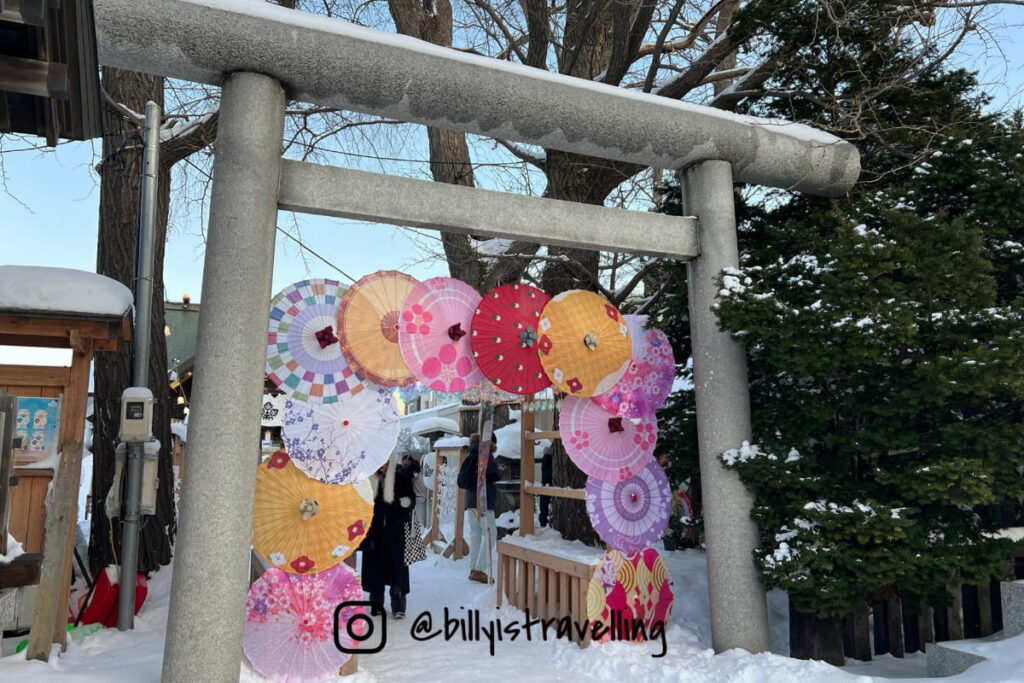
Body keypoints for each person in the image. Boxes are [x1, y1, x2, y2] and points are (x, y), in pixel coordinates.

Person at [362, 450, 416, 619]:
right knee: (375, 569)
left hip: (396, 532)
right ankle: (376, 602)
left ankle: (398, 605)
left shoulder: (401, 479)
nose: (382, 467)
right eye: (379, 463)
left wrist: (405, 503)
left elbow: (411, 499)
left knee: (397, 570)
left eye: (385, 463)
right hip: (374, 532)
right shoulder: (368, 482)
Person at [457, 432, 500, 584]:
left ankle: (473, 567)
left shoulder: (470, 455)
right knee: (490, 533)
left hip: (470, 500)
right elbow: (494, 474)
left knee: (476, 533)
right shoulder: (485, 454)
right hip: (483, 499)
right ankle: (479, 569)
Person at [538, 445, 553, 527]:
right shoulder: (550, 458)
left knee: (544, 504)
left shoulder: (546, 457)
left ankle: (543, 521)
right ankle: (543, 521)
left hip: (545, 483)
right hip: (549, 482)